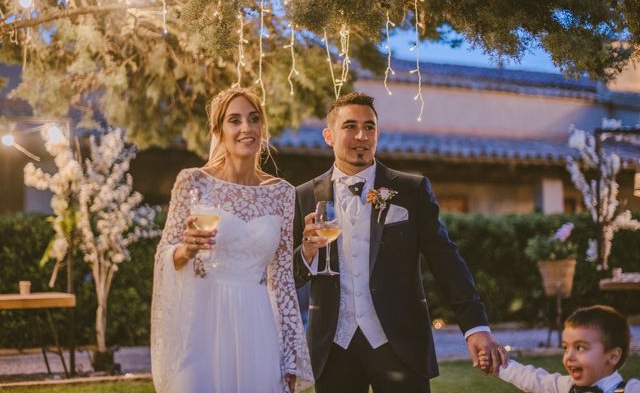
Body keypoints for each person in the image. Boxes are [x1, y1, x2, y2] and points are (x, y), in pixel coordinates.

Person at [292, 92, 506, 393]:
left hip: (399, 343)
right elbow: (288, 275)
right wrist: (307, 253)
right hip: (332, 346)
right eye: (350, 126)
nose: (361, 136)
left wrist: (475, 326)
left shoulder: (410, 189)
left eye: (369, 127)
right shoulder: (303, 196)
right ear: (329, 135)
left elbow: (446, 260)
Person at [151, 87, 313, 393]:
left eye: (253, 119)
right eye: (234, 120)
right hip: (204, 321)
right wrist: (186, 250)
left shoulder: (282, 193)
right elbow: (164, 254)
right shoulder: (193, 181)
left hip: (257, 323)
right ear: (218, 130)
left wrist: (291, 357)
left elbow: (281, 280)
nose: (246, 128)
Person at [488, 305, 639, 393]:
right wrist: (500, 365)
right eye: (566, 348)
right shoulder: (566, 386)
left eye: (580, 347)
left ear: (613, 356)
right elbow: (532, 378)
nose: (569, 356)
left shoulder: (631, 390)